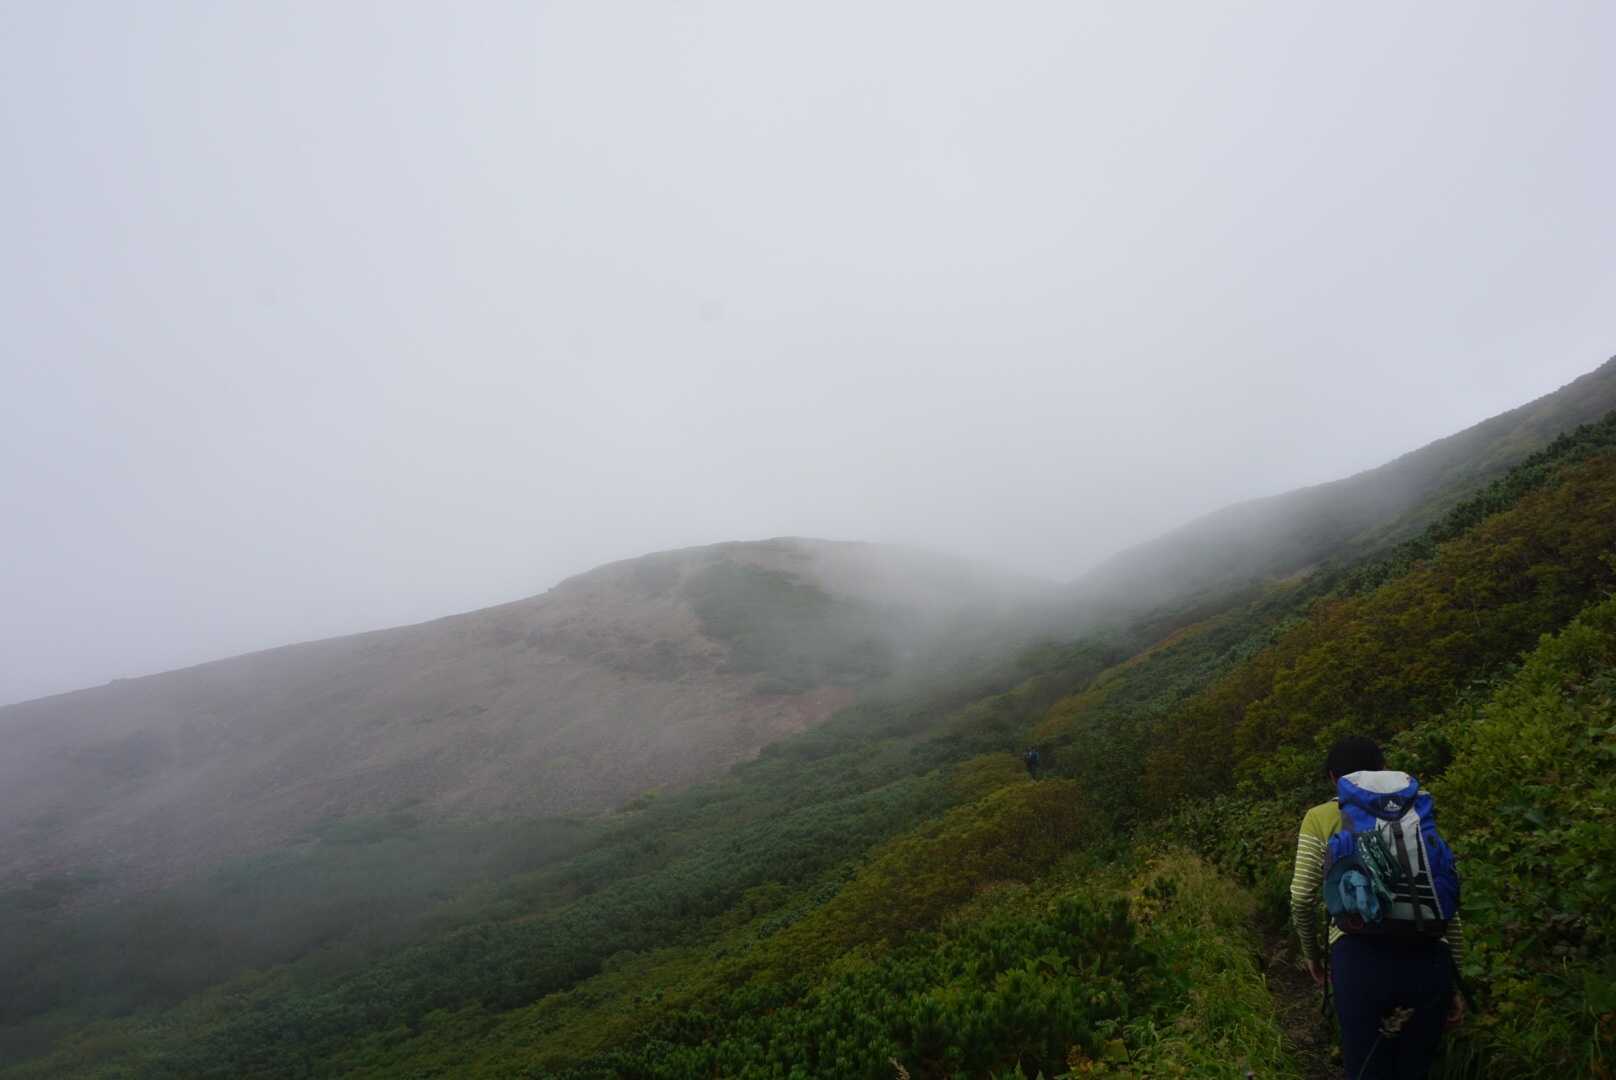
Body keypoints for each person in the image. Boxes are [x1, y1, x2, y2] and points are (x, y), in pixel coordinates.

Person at [1290, 736, 1465, 1079]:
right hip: (1428, 955)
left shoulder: (1320, 817)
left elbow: (1301, 896)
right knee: (1416, 1069)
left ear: (1333, 778)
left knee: (1366, 1067)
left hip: (1358, 957)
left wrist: (1313, 955)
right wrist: (1453, 979)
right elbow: (1445, 898)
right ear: (1384, 768)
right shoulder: (1415, 811)